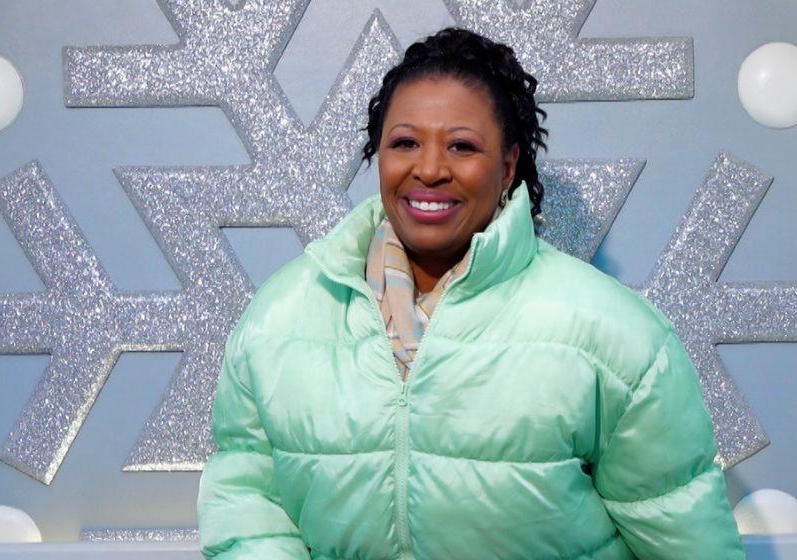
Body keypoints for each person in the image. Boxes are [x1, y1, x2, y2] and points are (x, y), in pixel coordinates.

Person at [196, 27, 745, 559]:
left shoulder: (613, 333)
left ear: (508, 166)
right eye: (404, 142)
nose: (429, 169)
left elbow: (684, 537)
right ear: (378, 157)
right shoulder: (282, 314)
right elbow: (248, 497)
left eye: (462, 146)